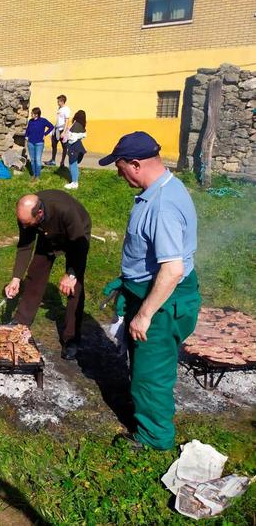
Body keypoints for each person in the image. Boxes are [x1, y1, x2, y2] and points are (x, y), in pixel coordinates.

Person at [99, 132, 200, 451]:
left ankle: (154, 439)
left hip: (161, 303)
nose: (118, 173)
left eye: (119, 166)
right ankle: (145, 414)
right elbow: (152, 255)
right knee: (143, 365)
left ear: (136, 163)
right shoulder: (164, 188)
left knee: (151, 375)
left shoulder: (162, 207)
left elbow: (172, 270)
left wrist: (143, 316)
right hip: (146, 291)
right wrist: (128, 281)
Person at [4, 190, 91, 360]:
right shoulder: (26, 216)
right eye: (22, 223)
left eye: (27, 223)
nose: (24, 227)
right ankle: (22, 321)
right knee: (35, 273)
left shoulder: (65, 211)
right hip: (48, 232)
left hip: (76, 235)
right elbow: (25, 246)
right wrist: (16, 278)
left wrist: (71, 274)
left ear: (40, 213)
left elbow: (80, 247)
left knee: (74, 288)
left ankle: (71, 338)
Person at [25, 107, 53, 180]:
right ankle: (33, 174)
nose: (31, 114)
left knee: (37, 159)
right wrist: (26, 136)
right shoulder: (30, 121)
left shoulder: (43, 121)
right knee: (32, 160)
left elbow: (51, 127)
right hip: (30, 142)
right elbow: (28, 130)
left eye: (32, 113)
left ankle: (37, 176)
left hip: (39, 143)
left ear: (36, 114)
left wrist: (45, 134)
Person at [44, 94, 70, 167]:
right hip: (57, 129)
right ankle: (53, 160)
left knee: (64, 147)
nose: (57, 102)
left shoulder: (66, 109)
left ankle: (62, 162)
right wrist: (54, 130)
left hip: (62, 130)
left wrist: (64, 132)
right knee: (54, 144)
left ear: (62, 101)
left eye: (58, 101)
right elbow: (58, 120)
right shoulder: (59, 108)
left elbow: (67, 121)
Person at [64, 110, 87, 190]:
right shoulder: (81, 125)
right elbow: (84, 135)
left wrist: (67, 134)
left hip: (74, 147)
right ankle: (75, 181)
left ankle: (74, 183)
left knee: (72, 164)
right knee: (74, 165)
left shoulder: (76, 125)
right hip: (78, 146)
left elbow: (72, 138)